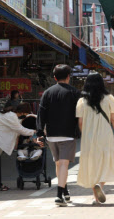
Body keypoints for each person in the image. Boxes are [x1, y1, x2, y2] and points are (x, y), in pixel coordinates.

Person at [37, 64, 80, 206]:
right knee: (63, 165)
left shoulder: (47, 93)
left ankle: (66, 192)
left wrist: (39, 133)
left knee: (59, 163)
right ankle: (59, 195)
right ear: (68, 77)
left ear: (54, 77)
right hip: (68, 134)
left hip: (51, 135)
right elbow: (79, 115)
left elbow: (41, 114)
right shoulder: (75, 93)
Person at [76, 73, 114, 205]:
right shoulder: (109, 98)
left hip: (88, 137)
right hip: (105, 134)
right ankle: (100, 185)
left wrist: (86, 135)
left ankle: (96, 194)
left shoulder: (81, 101)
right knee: (105, 161)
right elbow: (113, 119)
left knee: (91, 163)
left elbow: (80, 122)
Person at [0, 103, 37, 191]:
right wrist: (34, 131)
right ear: (22, 112)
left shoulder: (8, 113)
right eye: (25, 114)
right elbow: (20, 129)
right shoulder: (11, 116)